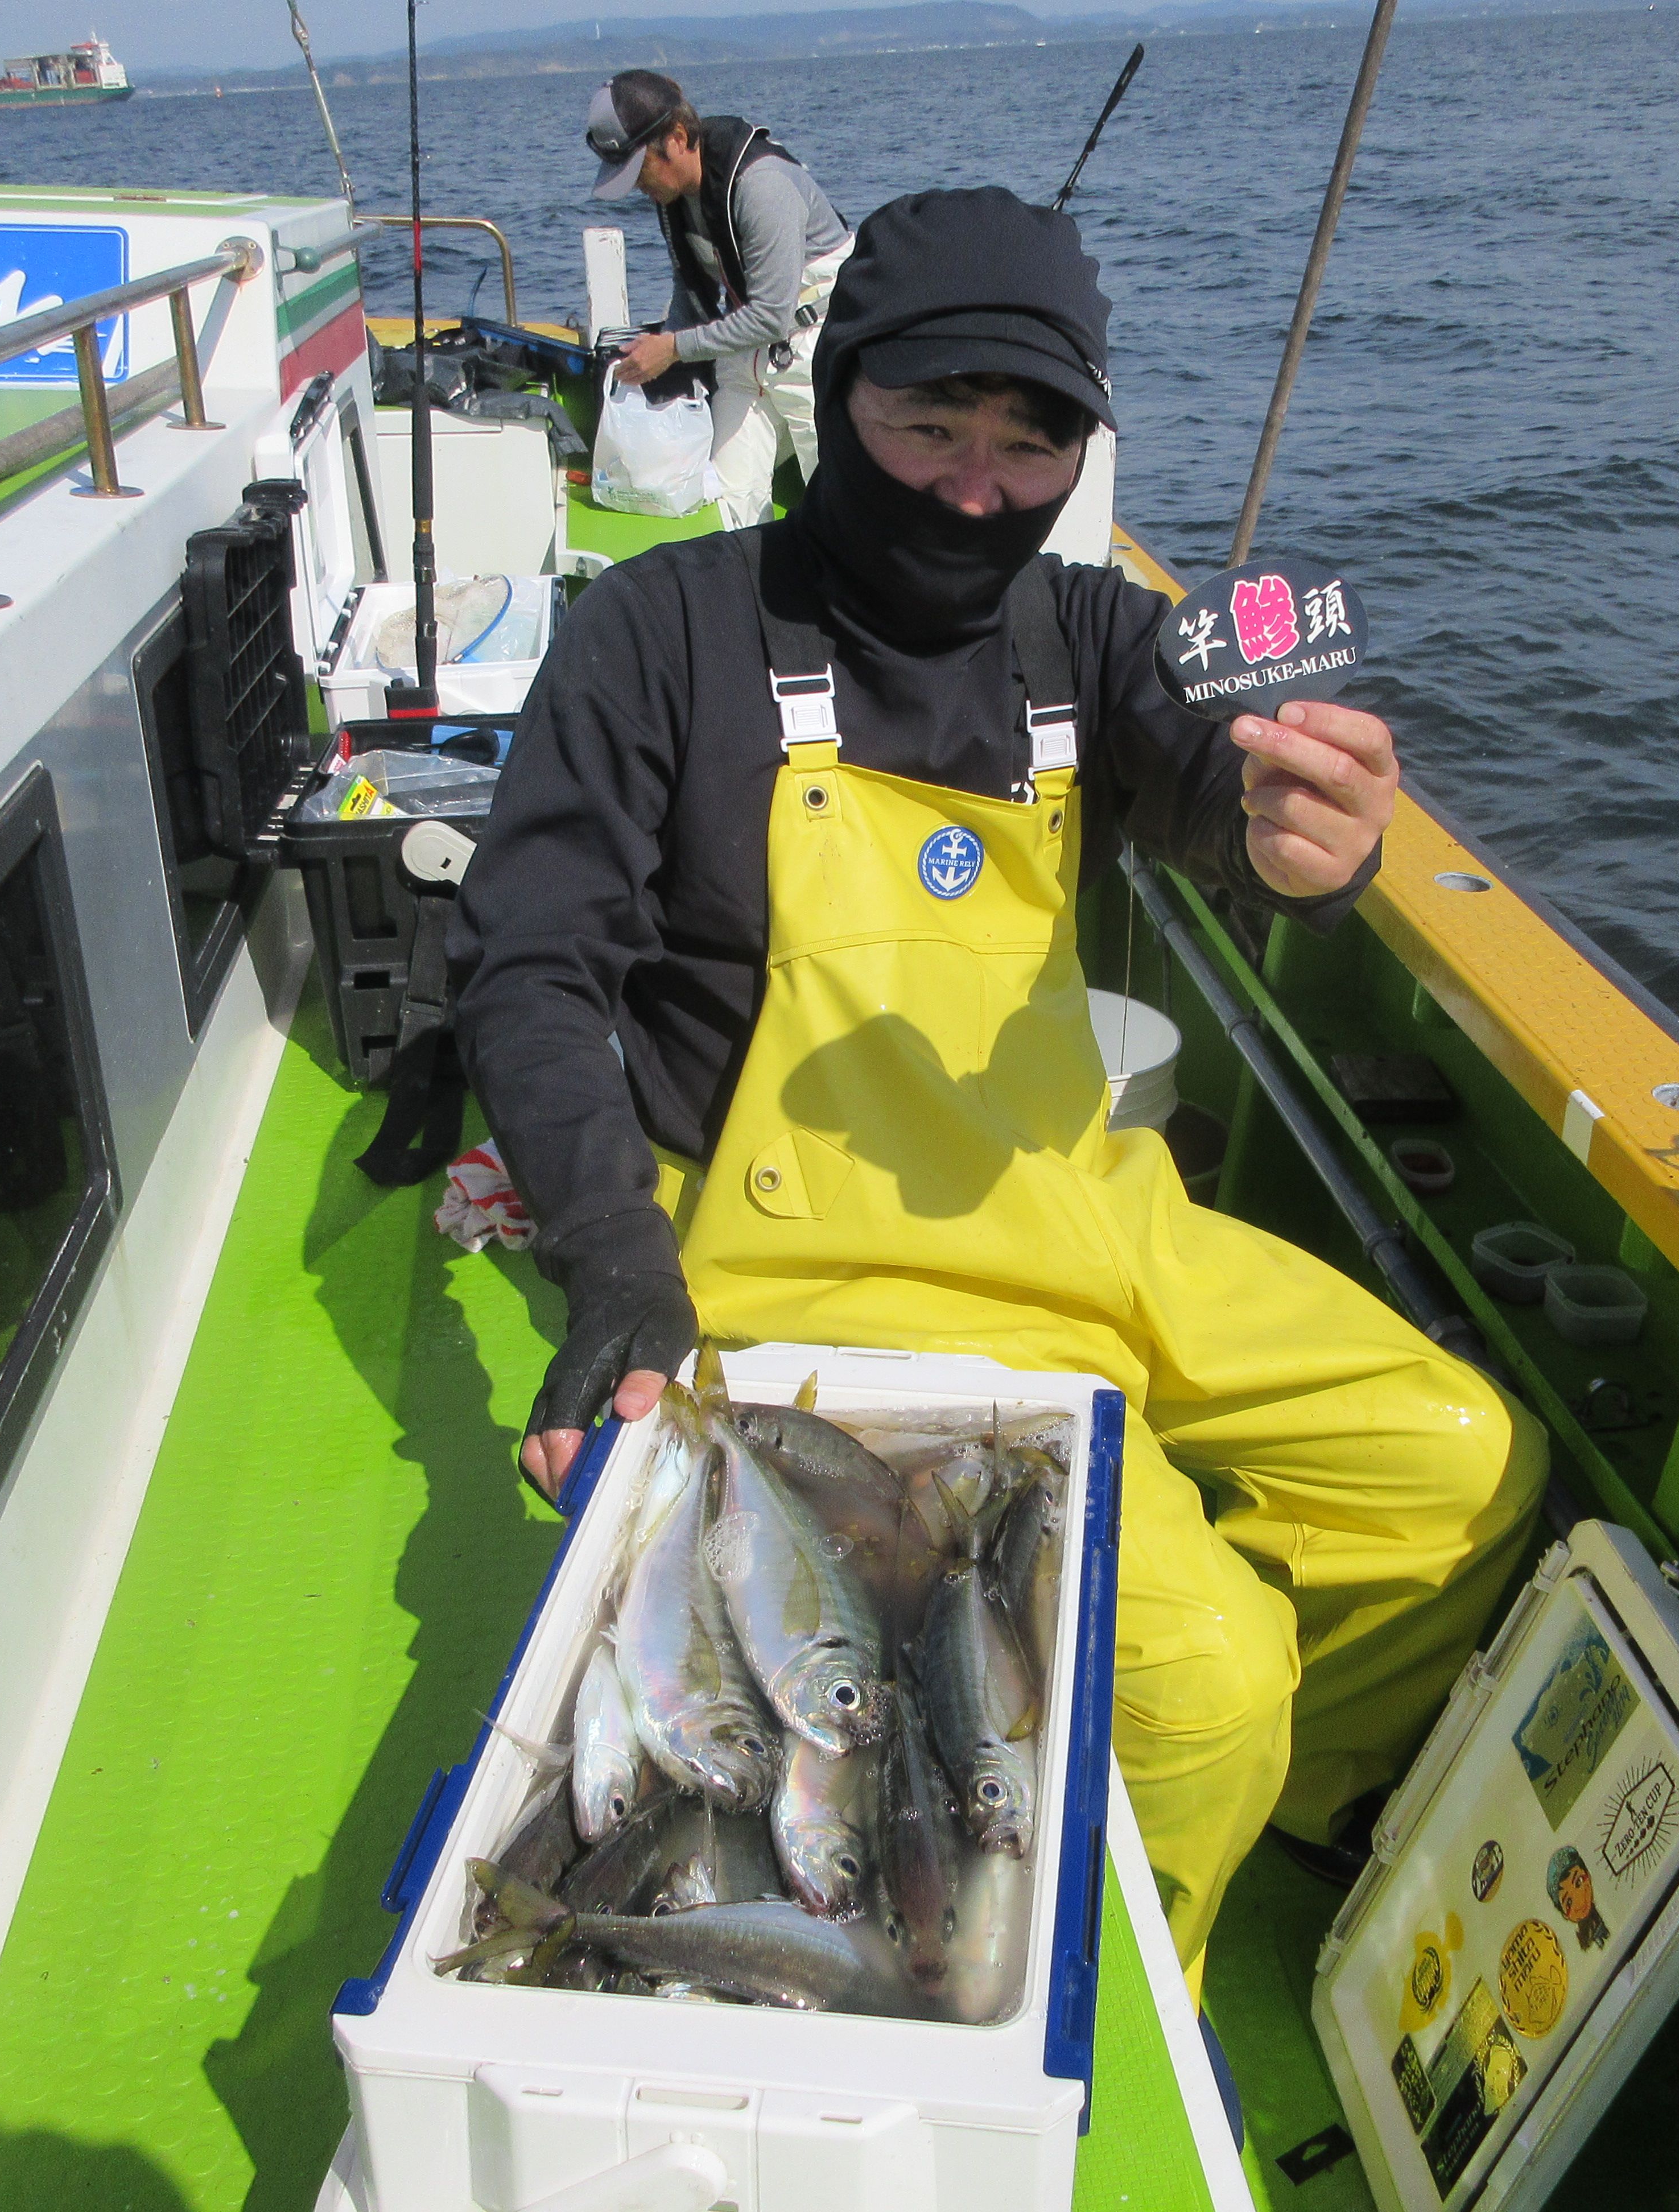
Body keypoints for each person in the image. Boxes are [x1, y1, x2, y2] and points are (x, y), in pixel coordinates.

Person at [456, 187, 1542, 1978]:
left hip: (1080, 1208)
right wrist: (613, 1256)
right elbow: (532, 960)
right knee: (1203, 1685)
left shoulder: (1096, 639)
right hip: (813, 1267)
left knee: (1464, 1470)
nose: (977, 488)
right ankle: (1078, 1980)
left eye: (1031, 443)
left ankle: (1290, 1790)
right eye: (929, 425)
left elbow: (1214, 782)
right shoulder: (656, 636)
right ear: (838, 400)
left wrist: (1304, 845)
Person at [587, 69, 853, 531]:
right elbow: (691, 288)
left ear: (677, 138)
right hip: (744, 356)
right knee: (729, 506)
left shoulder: (762, 185)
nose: (635, 186)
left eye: (638, 169)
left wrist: (673, 349)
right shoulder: (675, 195)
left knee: (844, 507)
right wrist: (653, 358)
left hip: (816, 350)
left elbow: (771, 316)